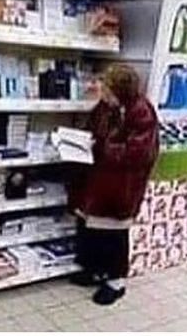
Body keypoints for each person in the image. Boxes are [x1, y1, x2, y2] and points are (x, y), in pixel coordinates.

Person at [68, 63, 160, 305]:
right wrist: (78, 141)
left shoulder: (141, 112)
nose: (102, 92)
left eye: (107, 88)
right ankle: (95, 270)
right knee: (90, 229)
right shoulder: (106, 108)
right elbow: (92, 131)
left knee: (115, 234)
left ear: (120, 89)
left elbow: (138, 153)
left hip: (121, 186)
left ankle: (116, 280)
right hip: (97, 180)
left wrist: (100, 147)